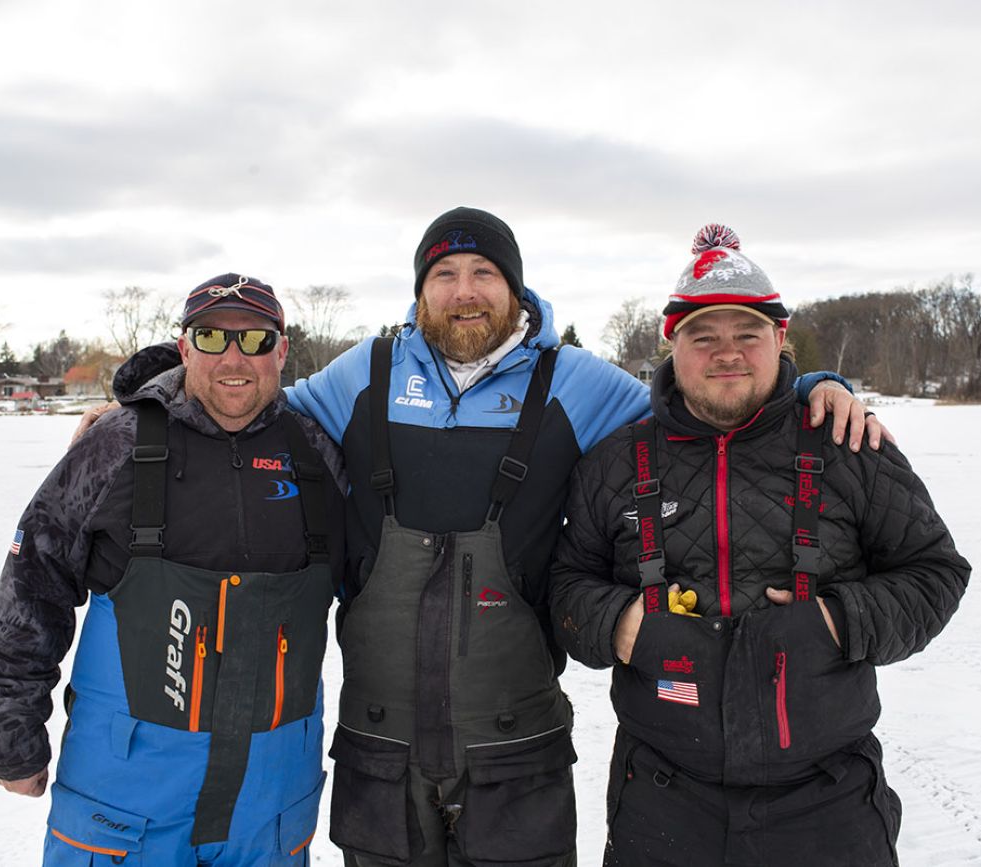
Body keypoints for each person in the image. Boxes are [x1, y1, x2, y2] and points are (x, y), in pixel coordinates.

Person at [85, 208, 885, 866]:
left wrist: (812, 387)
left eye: (484, 273)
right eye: (444, 274)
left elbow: (707, 398)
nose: (465, 292)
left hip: (517, 747)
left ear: (514, 285)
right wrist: (147, 400)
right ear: (420, 292)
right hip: (379, 745)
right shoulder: (367, 370)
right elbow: (242, 396)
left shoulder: (576, 380)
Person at [547, 225, 971, 866]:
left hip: (828, 797)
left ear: (781, 339)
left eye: (748, 333)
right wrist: (619, 622)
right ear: (672, 346)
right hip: (661, 796)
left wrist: (840, 619)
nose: (728, 353)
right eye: (703, 336)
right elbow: (566, 583)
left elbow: (935, 572)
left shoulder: (847, 444)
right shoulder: (612, 463)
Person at [0, 275, 347, 866]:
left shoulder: (320, 454)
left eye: (254, 339)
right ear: (183, 347)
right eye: (210, 337)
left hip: (269, 805)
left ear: (281, 350)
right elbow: (32, 586)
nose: (233, 357)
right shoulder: (115, 445)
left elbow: (380, 593)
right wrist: (11, 729)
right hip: (123, 803)